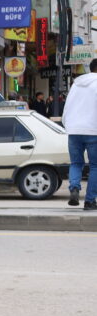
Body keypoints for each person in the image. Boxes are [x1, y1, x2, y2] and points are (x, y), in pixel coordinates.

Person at [61, 59, 97, 209]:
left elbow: (67, 107)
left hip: (74, 130)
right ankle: (90, 201)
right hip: (93, 130)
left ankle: (74, 188)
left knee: (76, 163)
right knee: (95, 166)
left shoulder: (76, 84)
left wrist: (68, 125)